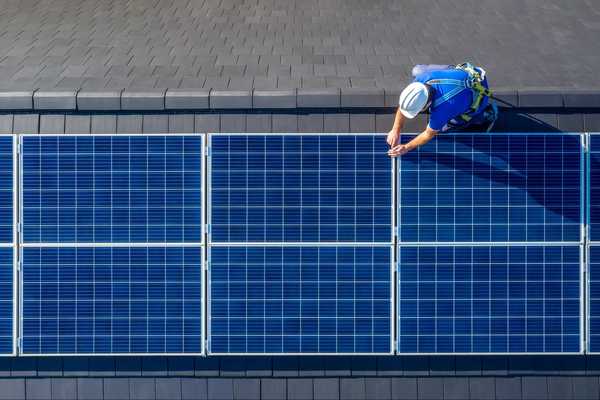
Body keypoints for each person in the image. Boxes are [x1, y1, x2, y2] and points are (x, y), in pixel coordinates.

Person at [387, 63, 498, 157]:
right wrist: (395, 130)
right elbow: (404, 105)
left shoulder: (443, 110)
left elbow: (428, 134)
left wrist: (406, 147)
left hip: (479, 93)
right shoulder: (421, 81)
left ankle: (486, 114)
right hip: (468, 74)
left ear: (428, 104)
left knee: (447, 127)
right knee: (417, 70)